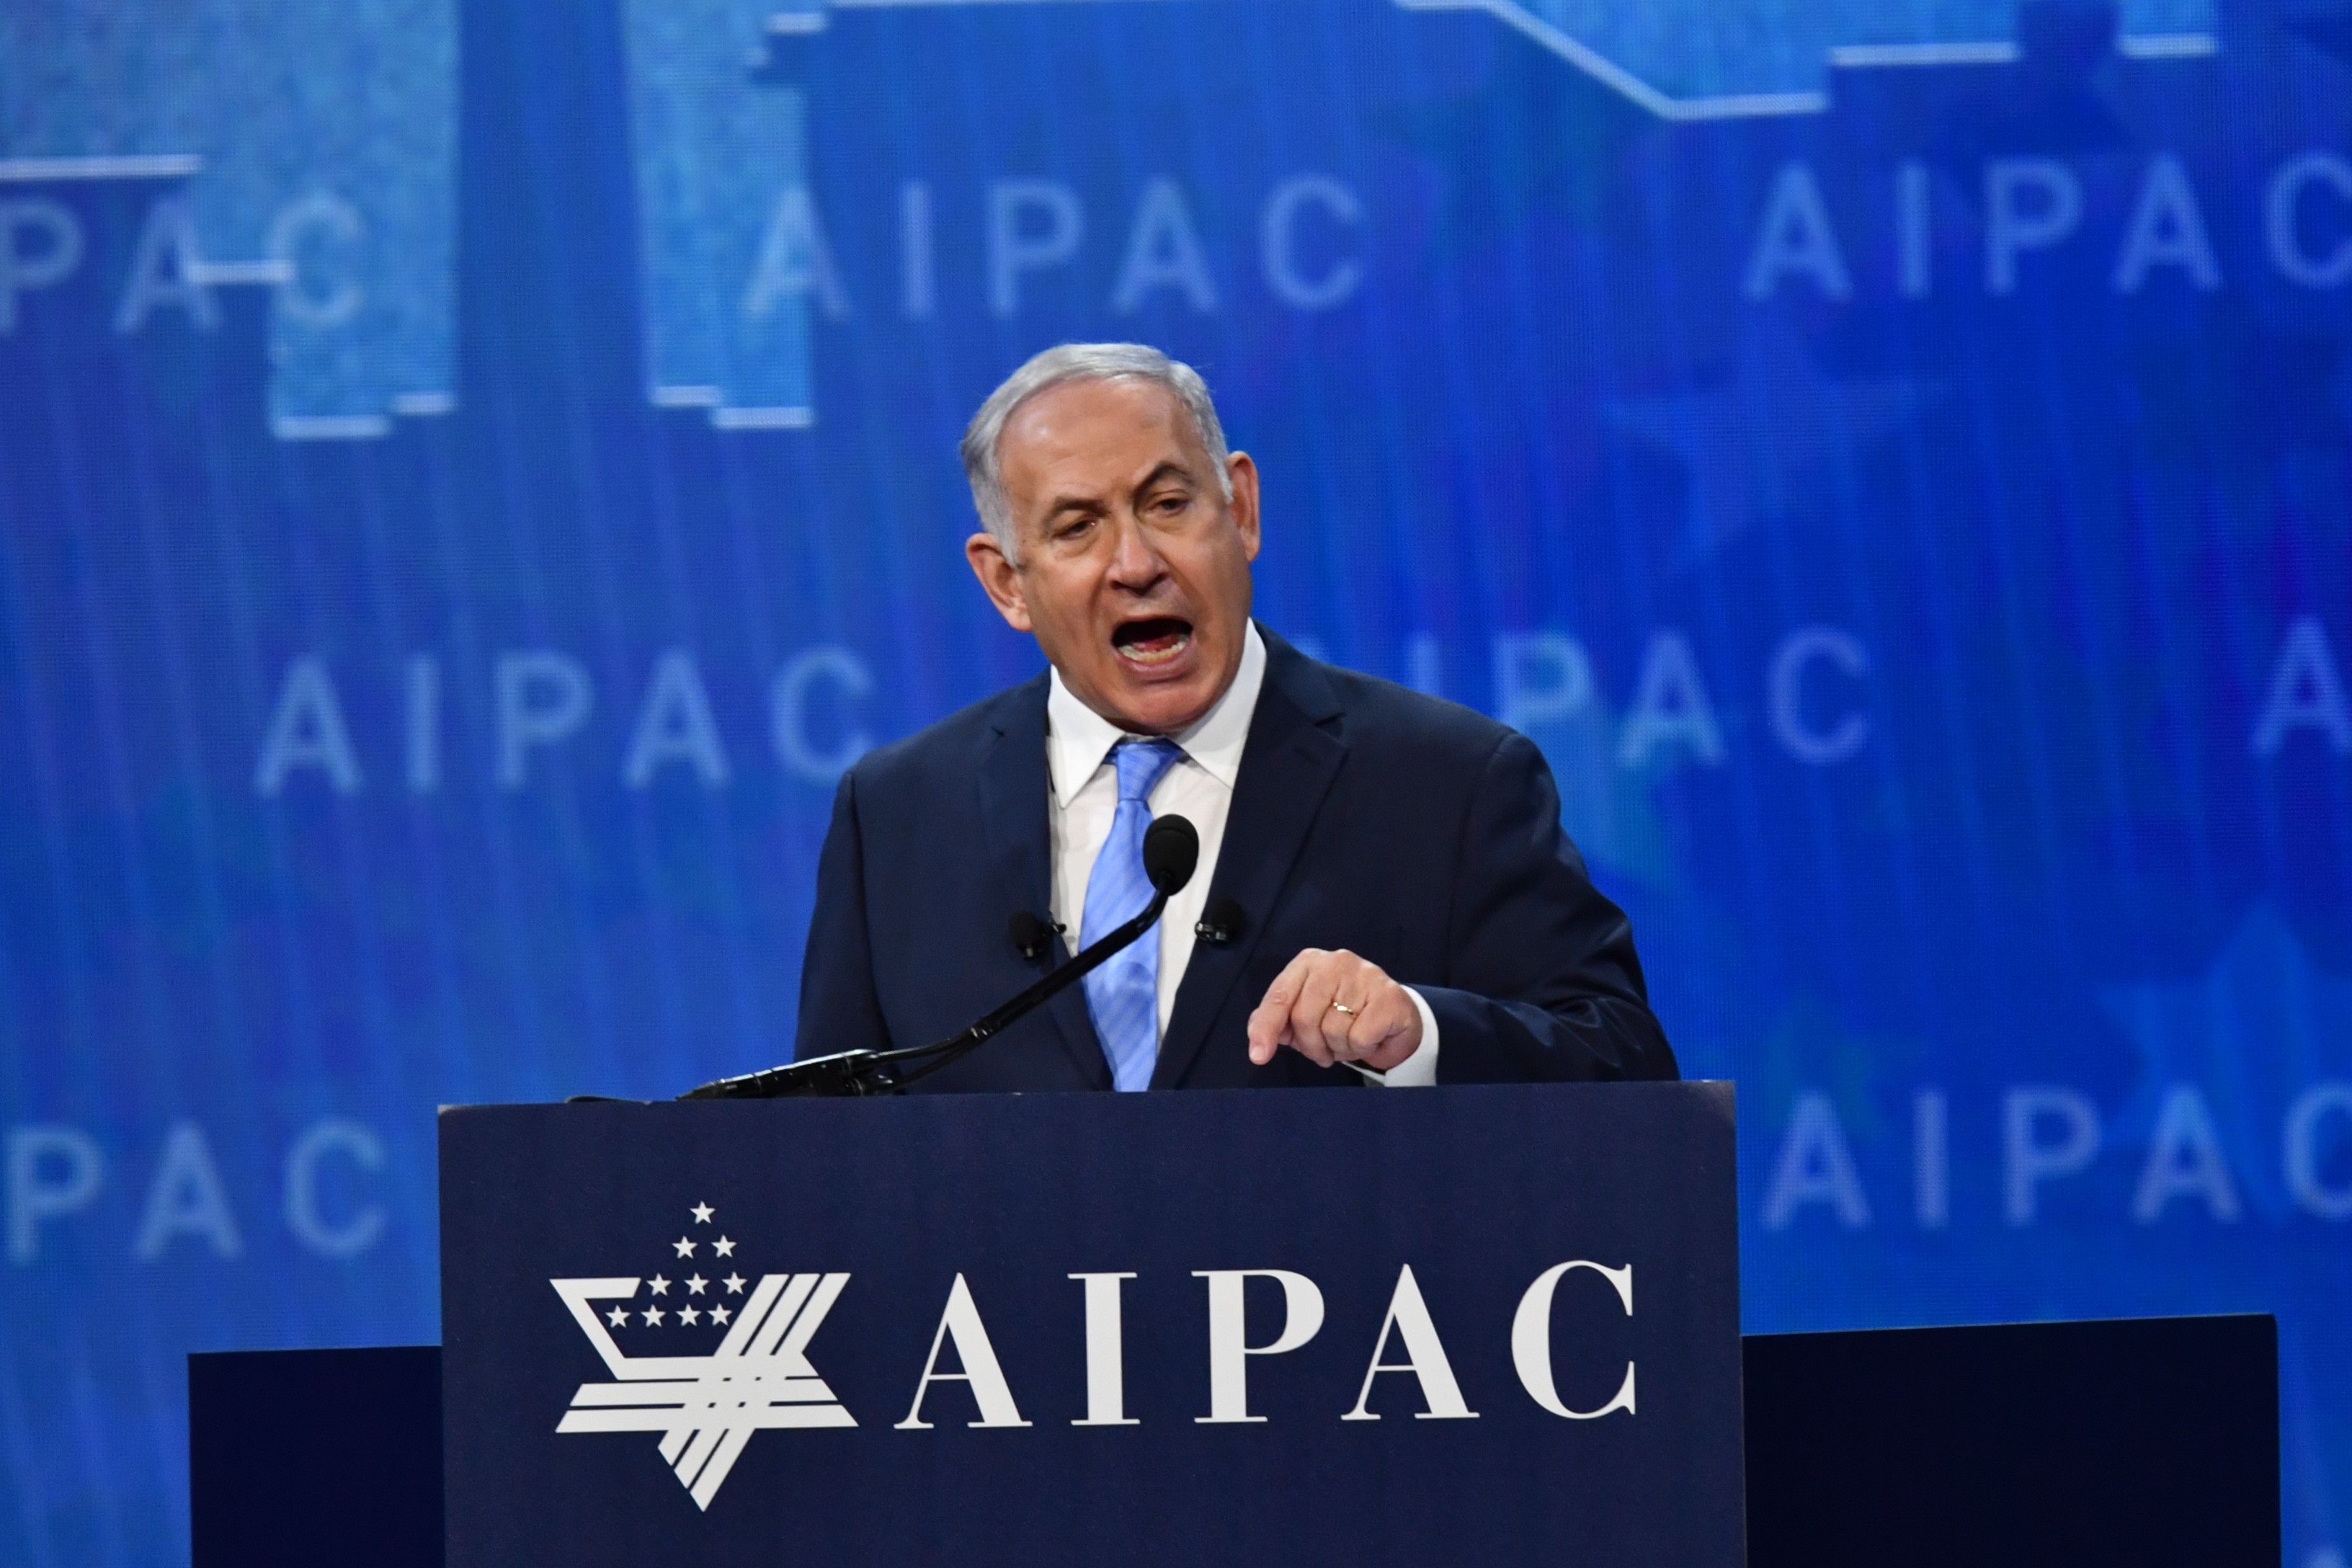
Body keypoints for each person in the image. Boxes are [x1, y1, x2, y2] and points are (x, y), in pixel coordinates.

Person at [796, 343, 1676, 1091]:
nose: (1135, 563)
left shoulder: (1449, 782)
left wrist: (1418, 1034)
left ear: (1241, 509)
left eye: (1167, 504)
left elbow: (1626, 1067)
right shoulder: (898, 816)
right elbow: (819, 1151)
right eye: (1077, 527)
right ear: (1006, 584)